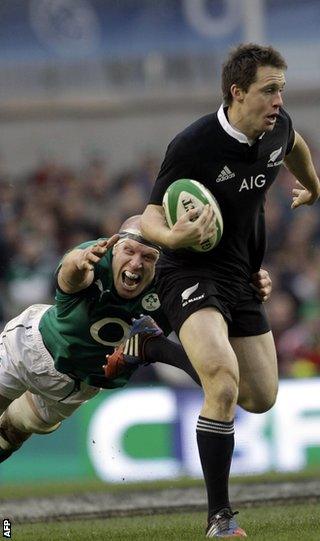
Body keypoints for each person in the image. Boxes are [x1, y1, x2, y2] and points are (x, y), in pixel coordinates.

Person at [141, 43, 320, 538]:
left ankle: (152, 346)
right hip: (188, 272)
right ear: (237, 93)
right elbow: (152, 214)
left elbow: (297, 145)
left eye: (281, 90)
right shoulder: (194, 144)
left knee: (259, 396)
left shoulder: (277, 129)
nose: (279, 101)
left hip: (243, 277)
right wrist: (172, 237)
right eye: (269, 90)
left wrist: (314, 186)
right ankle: (220, 519)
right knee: (221, 380)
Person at [0, 216, 204, 464]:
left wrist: (252, 286)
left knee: (9, 434)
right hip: (29, 350)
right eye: (129, 251)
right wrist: (78, 261)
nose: (136, 263)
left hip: (74, 388)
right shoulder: (95, 258)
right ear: (115, 247)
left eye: (148, 257)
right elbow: (69, 274)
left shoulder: (168, 288)